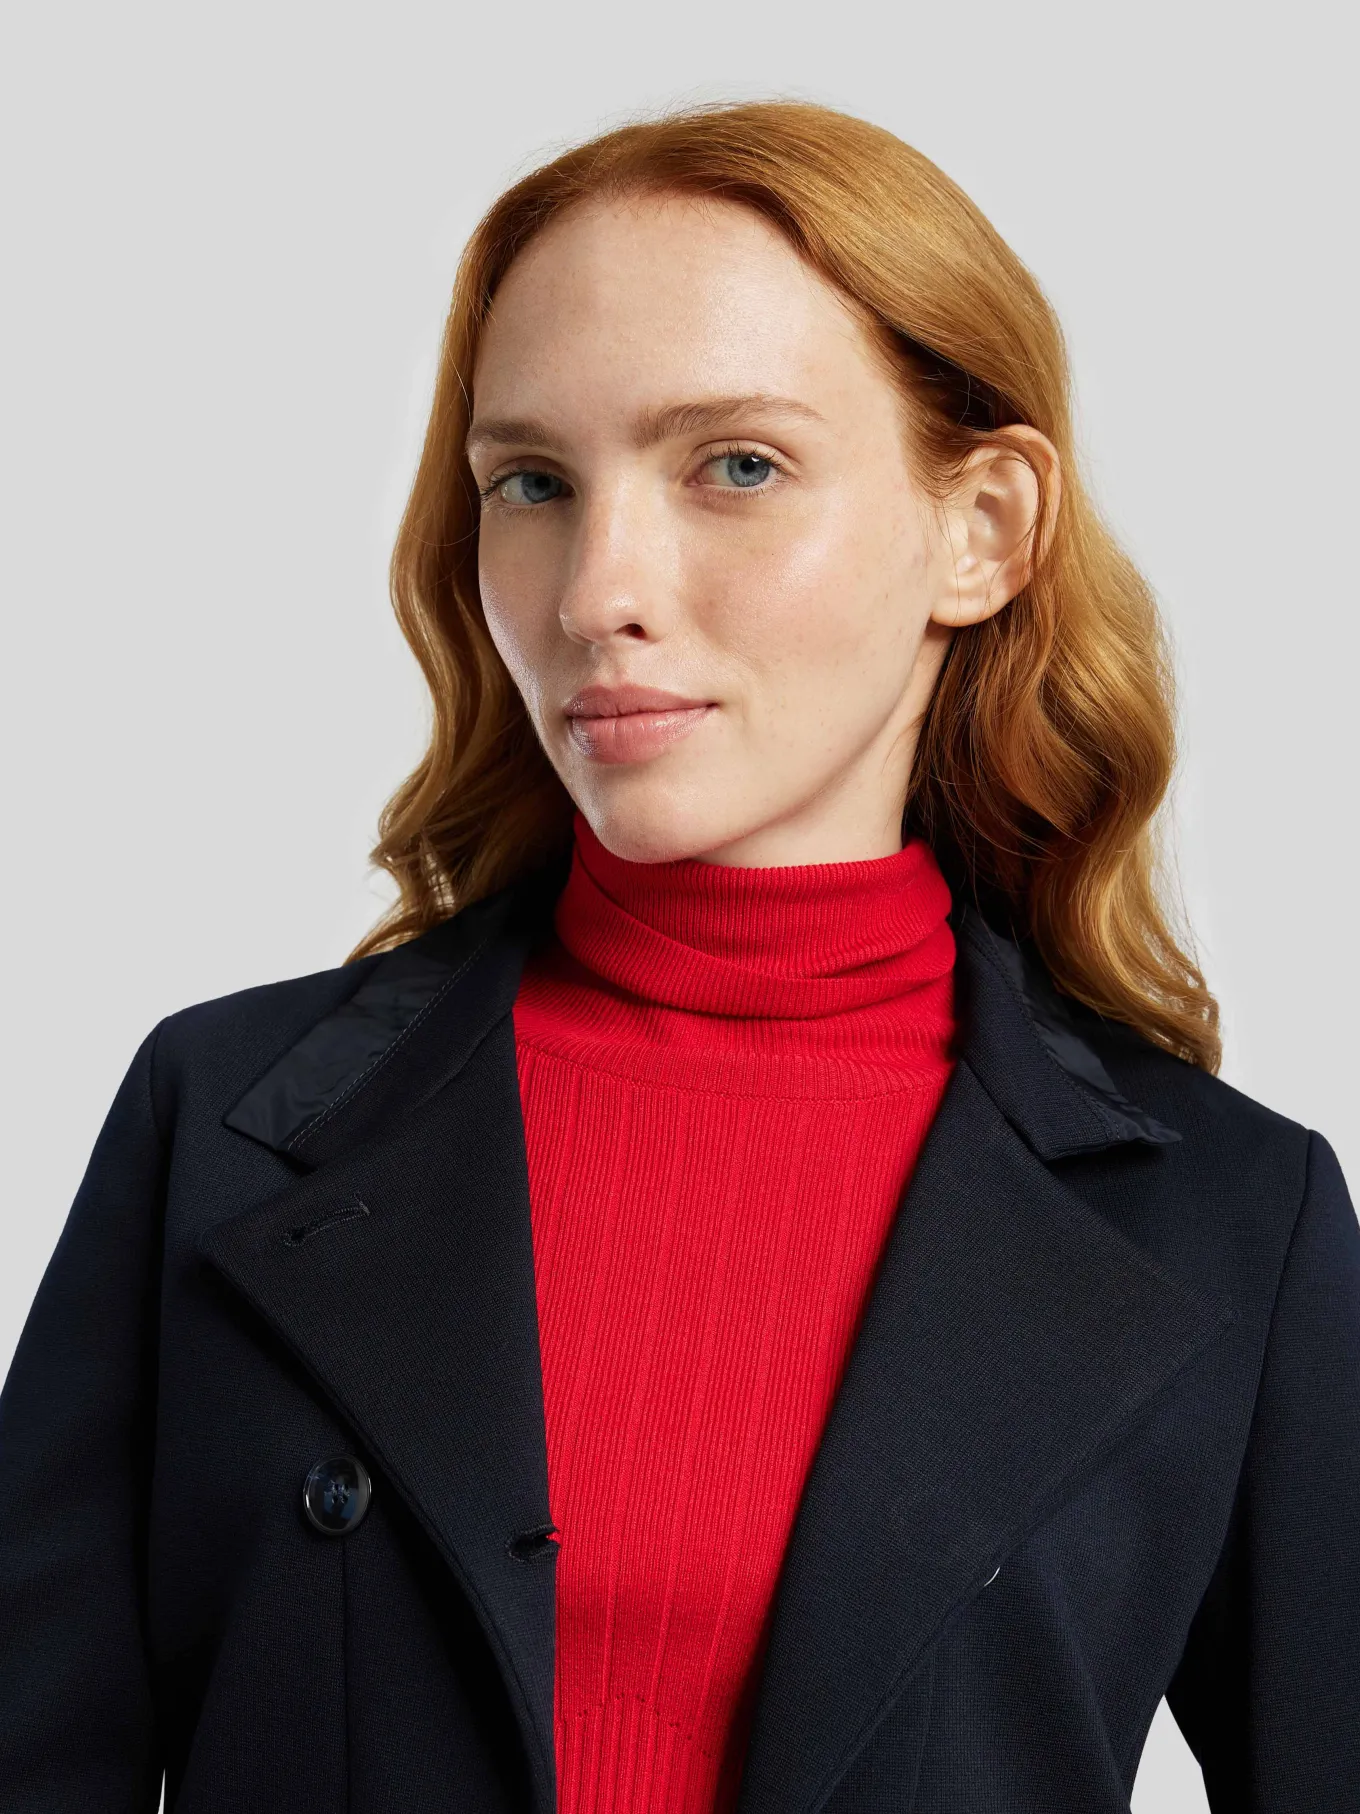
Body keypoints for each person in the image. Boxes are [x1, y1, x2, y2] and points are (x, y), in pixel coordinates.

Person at [1, 98, 1356, 1814]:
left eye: (736, 466)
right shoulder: (222, 1116)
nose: (595, 593)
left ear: (983, 529)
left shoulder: (1233, 1219)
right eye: (533, 483)